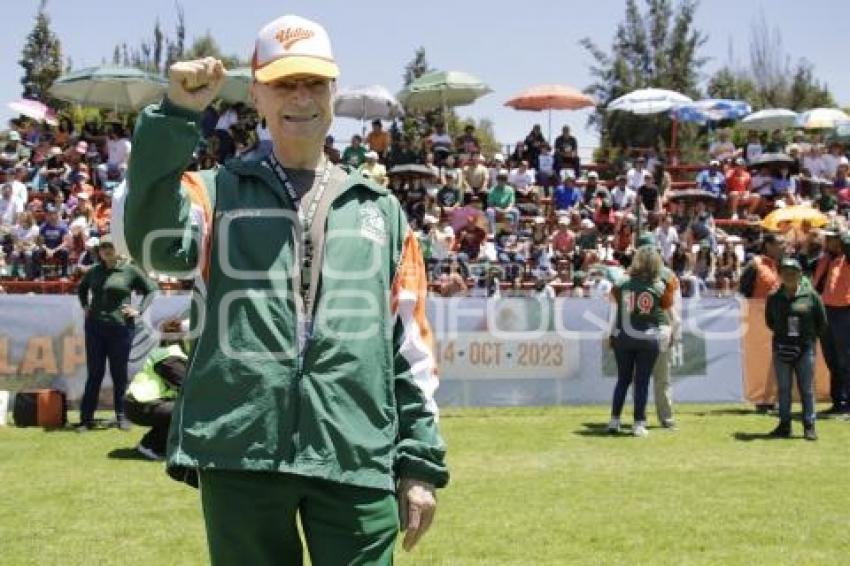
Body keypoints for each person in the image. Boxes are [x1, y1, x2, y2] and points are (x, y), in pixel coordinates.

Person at [119, 14, 448, 564]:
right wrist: (176, 115)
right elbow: (151, 244)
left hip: (356, 449)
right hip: (242, 449)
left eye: (314, 82)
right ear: (256, 95)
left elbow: (409, 351)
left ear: (334, 92)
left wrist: (416, 463)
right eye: (284, 83)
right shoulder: (212, 192)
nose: (301, 97)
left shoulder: (383, 213)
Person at [76, 234, 157, 431]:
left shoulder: (129, 271)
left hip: (121, 329)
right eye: (103, 247)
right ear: (99, 251)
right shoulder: (94, 271)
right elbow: (82, 288)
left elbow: (151, 290)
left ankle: (122, 416)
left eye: (110, 246)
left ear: (117, 249)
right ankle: (86, 419)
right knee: (95, 373)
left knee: (119, 374)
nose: (106, 250)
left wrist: (138, 311)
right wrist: (85, 305)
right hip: (95, 328)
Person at [607, 245, 675, 437]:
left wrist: (610, 334)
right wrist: (671, 334)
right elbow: (667, 314)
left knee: (623, 380)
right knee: (642, 381)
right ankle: (638, 423)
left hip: (624, 336)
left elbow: (613, 314)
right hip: (647, 337)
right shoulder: (660, 286)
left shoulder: (621, 284)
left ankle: (614, 420)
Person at [765, 258, 827, 440]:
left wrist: (808, 339)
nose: (789, 275)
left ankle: (809, 425)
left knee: (806, 388)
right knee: (784, 389)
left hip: (805, 348)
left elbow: (821, 322)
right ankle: (785, 425)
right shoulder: (774, 297)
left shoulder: (811, 296)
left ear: (800, 274)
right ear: (780, 275)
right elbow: (770, 322)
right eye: (785, 272)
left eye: (793, 272)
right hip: (782, 348)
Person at [125, 318, 189, 459]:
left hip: (138, 403)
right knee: (185, 410)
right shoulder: (171, 357)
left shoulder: (167, 352)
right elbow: (186, 387)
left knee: (181, 408)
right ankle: (150, 445)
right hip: (139, 405)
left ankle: (149, 443)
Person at [811, 229, 850, 415]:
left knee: (846, 359)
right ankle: (838, 401)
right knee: (832, 360)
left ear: (839, 241)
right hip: (825, 311)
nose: (826, 241)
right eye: (826, 238)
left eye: (831, 238)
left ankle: (848, 404)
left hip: (845, 311)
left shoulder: (847, 257)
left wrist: (843, 236)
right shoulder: (824, 259)